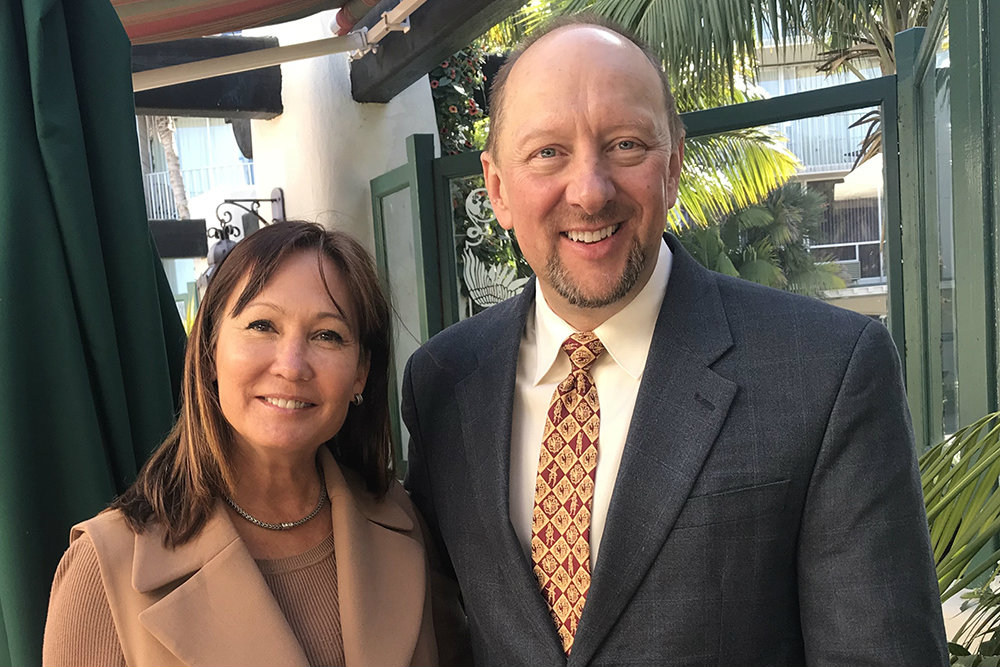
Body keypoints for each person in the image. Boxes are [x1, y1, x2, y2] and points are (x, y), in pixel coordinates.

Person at [402, 14, 948, 667]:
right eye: (548, 152)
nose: (589, 191)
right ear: (497, 188)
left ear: (674, 163)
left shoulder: (826, 369)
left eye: (626, 144)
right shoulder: (445, 380)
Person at [43, 221, 466, 667]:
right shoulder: (106, 568)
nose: (292, 366)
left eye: (327, 335)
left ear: (360, 371)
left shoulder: (402, 522)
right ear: (208, 352)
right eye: (262, 325)